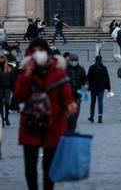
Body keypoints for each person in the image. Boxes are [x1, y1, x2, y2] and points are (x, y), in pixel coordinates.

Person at [14, 39, 77, 190]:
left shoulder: (58, 70)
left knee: (49, 166)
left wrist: (70, 104)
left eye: (40, 50)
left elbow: (66, 95)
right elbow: (18, 96)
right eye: (34, 51)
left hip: (53, 124)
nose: (38, 54)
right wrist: (26, 75)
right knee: (30, 166)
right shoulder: (25, 72)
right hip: (31, 124)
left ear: (47, 52)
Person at [86, 55, 111, 123]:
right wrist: (109, 88)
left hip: (93, 87)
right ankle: (100, 116)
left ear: (95, 60)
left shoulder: (92, 67)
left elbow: (88, 78)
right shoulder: (104, 68)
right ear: (101, 60)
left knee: (93, 102)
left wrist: (87, 86)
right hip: (101, 88)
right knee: (100, 102)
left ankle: (92, 116)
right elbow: (107, 78)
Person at [66, 53, 87, 132]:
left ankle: (73, 127)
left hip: (78, 95)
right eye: (72, 61)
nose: (74, 62)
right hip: (68, 96)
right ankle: (69, 128)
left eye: (75, 61)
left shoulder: (81, 69)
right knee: (69, 114)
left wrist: (86, 84)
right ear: (69, 61)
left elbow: (85, 79)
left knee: (76, 113)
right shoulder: (65, 69)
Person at [0, 52, 16, 127]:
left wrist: (14, 89)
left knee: (7, 103)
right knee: (0, 104)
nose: (1, 61)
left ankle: (6, 118)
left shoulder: (9, 68)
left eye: (2, 60)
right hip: (0, 88)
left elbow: (12, 79)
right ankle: (2, 119)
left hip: (7, 88)